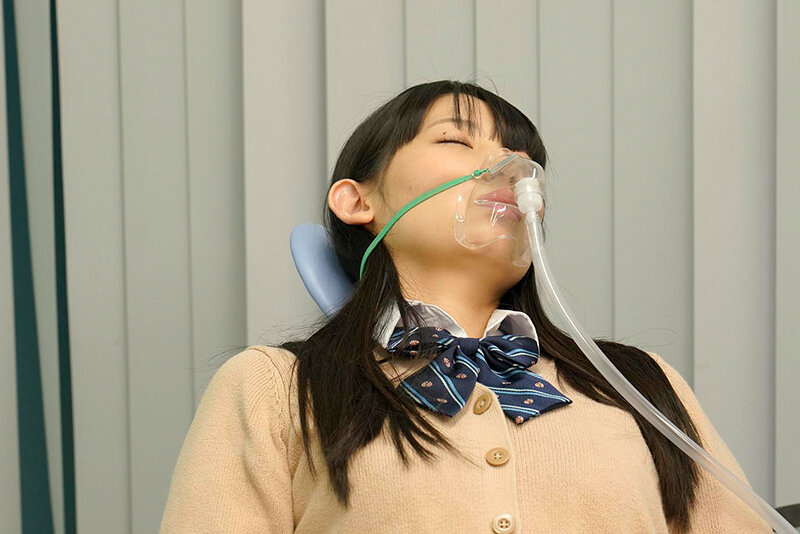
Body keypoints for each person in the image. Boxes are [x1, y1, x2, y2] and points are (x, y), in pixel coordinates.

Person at [159, 80, 772, 533]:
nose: (510, 167)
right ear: (357, 201)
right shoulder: (274, 388)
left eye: (523, 157)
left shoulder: (638, 384)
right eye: (456, 139)